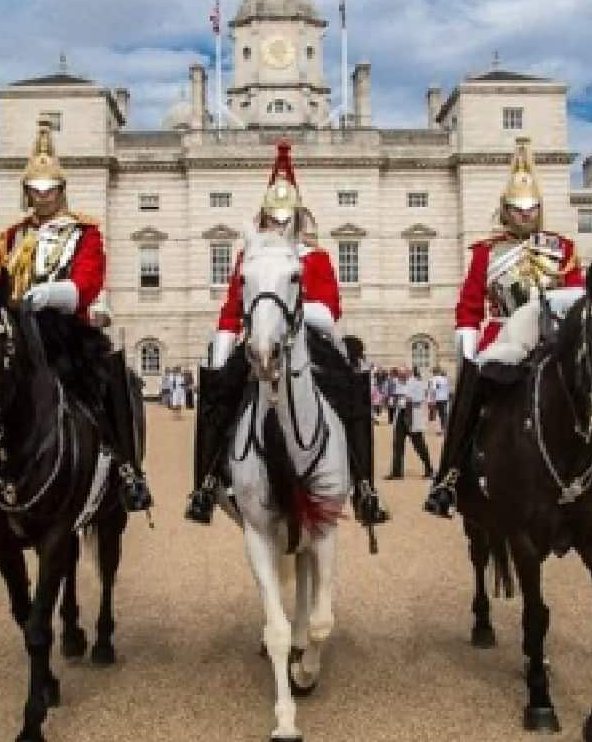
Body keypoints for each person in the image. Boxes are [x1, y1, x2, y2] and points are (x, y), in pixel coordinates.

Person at [426, 136, 592, 519]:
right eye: (518, 209)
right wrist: (468, 344)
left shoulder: (562, 248)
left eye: (532, 208)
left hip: (556, 336)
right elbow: (470, 305)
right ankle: (450, 477)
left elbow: (578, 295)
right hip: (505, 337)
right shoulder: (485, 254)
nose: (525, 215)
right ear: (505, 210)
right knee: (469, 393)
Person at [0, 118, 152, 534]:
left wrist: (52, 294)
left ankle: (128, 470)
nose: (42, 198)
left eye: (50, 190)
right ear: (26, 192)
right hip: (16, 332)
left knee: (109, 378)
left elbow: (89, 281)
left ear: (62, 191)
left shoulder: (84, 232)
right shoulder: (10, 237)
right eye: (35, 191)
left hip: (64, 329)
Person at [184, 139, 387, 529]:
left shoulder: (317, 257)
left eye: (285, 217)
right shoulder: (250, 258)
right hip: (258, 338)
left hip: (308, 342)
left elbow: (328, 312)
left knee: (351, 388)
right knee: (217, 392)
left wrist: (288, 312)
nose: (279, 223)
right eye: (273, 217)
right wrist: (223, 349)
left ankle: (364, 486)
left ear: (297, 217)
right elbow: (231, 310)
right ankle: (206, 483)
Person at [386, 365, 433, 479]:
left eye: (402, 374)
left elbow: (419, 399)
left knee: (419, 444)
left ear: (408, 373)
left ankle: (429, 469)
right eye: (399, 374)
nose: (400, 376)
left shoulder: (416, 383)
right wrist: (396, 399)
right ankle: (397, 472)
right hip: (401, 414)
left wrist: (406, 398)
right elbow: (396, 398)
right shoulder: (398, 383)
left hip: (412, 414)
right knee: (398, 444)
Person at [430, 366, 450, 435]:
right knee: (444, 414)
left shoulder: (434, 379)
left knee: (440, 415)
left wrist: (432, 400)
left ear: (434, 372)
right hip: (445, 398)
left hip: (438, 399)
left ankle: (443, 430)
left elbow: (433, 390)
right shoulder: (445, 379)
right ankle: (445, 429)